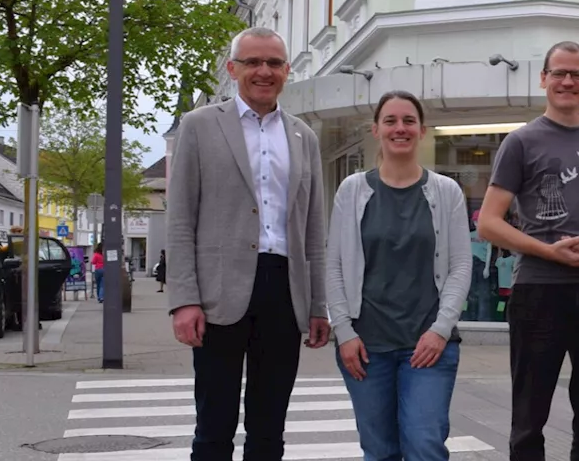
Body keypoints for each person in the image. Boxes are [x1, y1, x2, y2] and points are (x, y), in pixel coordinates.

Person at [166, 26, 330, 461]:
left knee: (269, 426)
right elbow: (180, 217)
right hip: (219, 292)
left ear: (287, 71)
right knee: (214, 425)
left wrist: (318, 305)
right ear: (232, 68)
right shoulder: (199, 126)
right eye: (253, 62)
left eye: (274, 63)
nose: (264, 71)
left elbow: (313, 227)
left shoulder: (303, 136)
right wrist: (184, 299)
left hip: (283, 288)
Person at [476, 40, 579, 461]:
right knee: (528, 417)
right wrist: (549, 251)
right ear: (543, 79)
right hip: (538, 288)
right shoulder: (520, 142)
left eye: (576, 74)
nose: (567, 81)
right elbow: (489, 222)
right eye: (558, 73)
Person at [325, 90, 473, 461]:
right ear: (376, 129)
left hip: (427, 346)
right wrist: (343, 332)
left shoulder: (446, 191)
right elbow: (334, 265)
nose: (400, 128)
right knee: (379, 451)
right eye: (390, 121)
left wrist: (441, 330)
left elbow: (459, 266)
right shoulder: (353, 190)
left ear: (422, 130)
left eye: (409, 121)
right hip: (366, 347)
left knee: (425, 445)